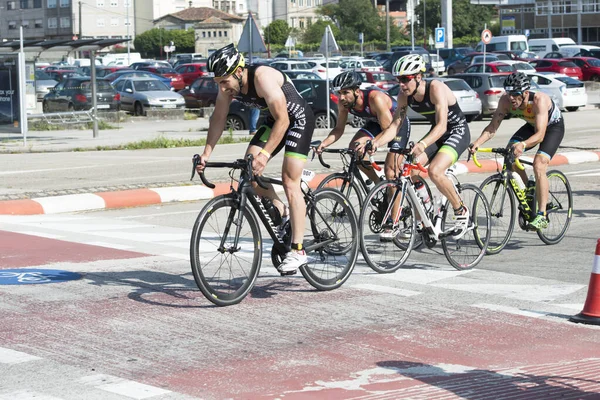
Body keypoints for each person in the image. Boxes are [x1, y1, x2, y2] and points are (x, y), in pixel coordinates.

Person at [195, 43, 316, 273]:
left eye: (225, 81)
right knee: (249, 170)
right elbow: (218, 119)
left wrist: (265, 154)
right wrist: (206, 154)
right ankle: (282, 210)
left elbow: (284, 120)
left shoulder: (262, 77)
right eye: (218, 82)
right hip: (274, 122)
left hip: (297, 119)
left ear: (239, 71)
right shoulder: (226, 86)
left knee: (290, 180)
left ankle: (298, 250)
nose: (222, 87)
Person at [374, 54, 472, 239]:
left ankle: (461, 210)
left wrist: (423, 143)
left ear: (418, 76)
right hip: (437, 134)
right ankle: (426, 207)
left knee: (435, 171)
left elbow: (443, 125)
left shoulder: (436, 88)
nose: (401, 85)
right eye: (398, 80)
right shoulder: (404, 96)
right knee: (410, 170)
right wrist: (376, 143)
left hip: (456, 132)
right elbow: (395, 126)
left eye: (405, 79)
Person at [316, 70, 411, 239]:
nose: (342, 97)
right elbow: (339, 129)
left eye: (345, 92)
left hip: (396, 126)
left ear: (357, 91)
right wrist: (323, 143)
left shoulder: (376, 98)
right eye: (339, 93)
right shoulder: (344, 103)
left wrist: (372, 145)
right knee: (354, 149)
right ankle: (378, 184)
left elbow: (389, 129)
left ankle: (393, 220)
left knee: (391, 171)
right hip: (376, 123)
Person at [469, 72, 564, 230]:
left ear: (526, 93)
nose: (511, 98)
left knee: (539, 164)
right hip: (532, 125)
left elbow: (540, 135)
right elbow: (492, 127)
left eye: (515, 94)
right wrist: (477, 143)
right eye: (508, 93)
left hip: (552, 128)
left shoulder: (539, 100)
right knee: (509, 154)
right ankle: (530, 188)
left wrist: (523, 145)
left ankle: (542, 215)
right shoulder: (505, 101)